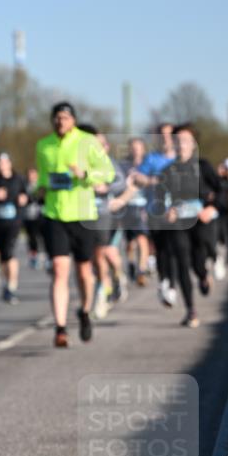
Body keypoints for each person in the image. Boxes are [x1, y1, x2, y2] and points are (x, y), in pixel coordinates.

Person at [36, 102, 114, 347]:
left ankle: (85, 310)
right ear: (52, 120)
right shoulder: (43, 145)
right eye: (57, 118)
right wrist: (43, 185)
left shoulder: (87, 141)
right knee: (60, 270)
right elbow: (40, 177)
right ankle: (60, 328)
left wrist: (85, 175)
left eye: (66, 118)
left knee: (83, 272)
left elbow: (108, 172)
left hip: (82, 215)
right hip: (54, 214)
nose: (61, 122)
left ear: (73, 120)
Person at [153, 124, 223, 328]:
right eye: (178, 141)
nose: (181, 144)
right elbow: (160, 198)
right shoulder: (167, 170)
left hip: (201, 221)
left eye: (186, 140)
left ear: (193, 144)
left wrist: (211, 208)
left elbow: (222, 191)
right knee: (182, 261)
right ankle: (191, 310)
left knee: (197, 262)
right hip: (179, 224)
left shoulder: (204, 166)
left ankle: (203, 275)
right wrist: (167, 211)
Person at [80, 128, 128, 319]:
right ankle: (110, 283)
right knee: (94, 258)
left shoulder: (110, 163)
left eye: (101, 144)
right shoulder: (82, 162)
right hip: (84, 214)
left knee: (104, 253)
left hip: (105, 214)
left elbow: (121, 182)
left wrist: (106, 186)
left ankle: (103, 294)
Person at [137, 123, 177, 307]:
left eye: (169, 134)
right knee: (161, 250)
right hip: (156, 211)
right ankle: (164, 282)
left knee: (175, 249)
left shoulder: (180, 157)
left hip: (177, 212)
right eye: (162, 134)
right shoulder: (152, 159)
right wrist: (152, 180)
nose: (166, 138)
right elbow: (138, 177)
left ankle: (173, 285)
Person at [0, 152, 28, 303]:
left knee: (9, 252)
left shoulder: (18, 179)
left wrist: (24, 198)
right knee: (3, 255)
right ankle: (6, 284)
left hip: (13, 222)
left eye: (5, 162)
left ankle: (11, 286)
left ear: (10, 163)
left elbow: (26, 195)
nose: (2, 165)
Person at [120, 137, 151, 286]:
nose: (136, 150)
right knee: (130, 242)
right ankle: (132, 263)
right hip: (127, 207)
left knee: (142, 239)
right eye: (133, 147)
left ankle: (141, 270)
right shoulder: (123, 166)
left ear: (143, 149)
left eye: (138, 147)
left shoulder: (148, 164)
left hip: (143, 206)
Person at [22, 167, 44, 269]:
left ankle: (45, 256)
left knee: (42, 237)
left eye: (33, 174)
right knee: (31, 238)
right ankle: (33, 256)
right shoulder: (24, 186)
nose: (31, 176)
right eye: (29, 174)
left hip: (40, 215)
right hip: (28, 216)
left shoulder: (41, 186)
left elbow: (43, 199)